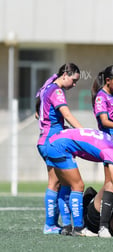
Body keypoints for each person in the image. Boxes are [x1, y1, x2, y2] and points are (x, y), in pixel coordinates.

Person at [46, 128, 113, 236]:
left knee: (66, 185)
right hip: (59, 146)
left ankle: (67, 227)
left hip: (54, 141)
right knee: (78, 185)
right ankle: (78, 229)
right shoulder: (110, 151)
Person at [35, 63, 83, 235]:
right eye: (74, 80)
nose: (74, 84)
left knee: (56, 182)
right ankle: (52, 224)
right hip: (53, 142)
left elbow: (37, 112)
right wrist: (82, 133)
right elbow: (67, 114)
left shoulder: (47, 88)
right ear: (65, 74)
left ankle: (53, 224)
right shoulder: (56, 91)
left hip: (44, 140)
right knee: (62, 183)